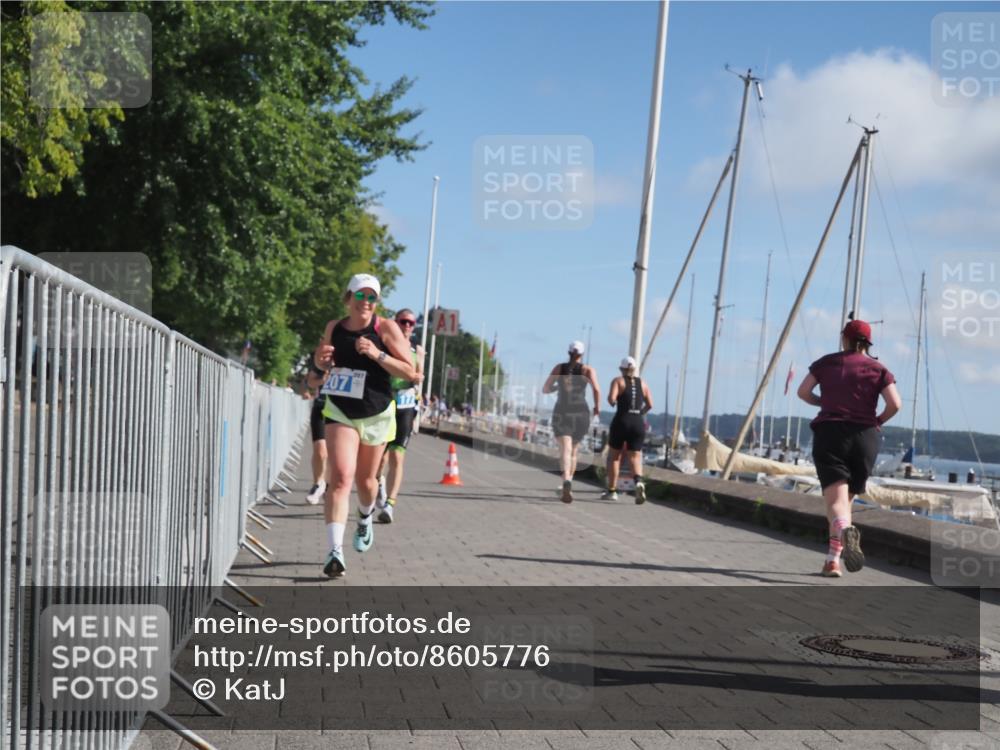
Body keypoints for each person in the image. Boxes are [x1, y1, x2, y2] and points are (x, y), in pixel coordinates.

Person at [312, 274, 417, 577]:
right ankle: (335, 551)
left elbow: (410, 372)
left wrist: (377, 353)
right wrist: (320, 360)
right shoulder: (334, 327)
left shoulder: (385, 328)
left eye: (372, 297)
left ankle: (365, 516)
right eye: (361, 296)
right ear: (348, 298)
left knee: (366, 482)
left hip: (376, 412)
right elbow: (323, 363)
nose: (367, 303)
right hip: (341, 410)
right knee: (341, 478)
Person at [796, 319, 901, 578]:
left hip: (832, 433)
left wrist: (824, 401)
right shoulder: (879, 369)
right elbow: (895, 404)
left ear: (844, 338)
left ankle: (844, 532)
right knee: (846, 502)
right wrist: (877, 421)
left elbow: (803, 392)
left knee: (835, 504)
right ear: (867, 342)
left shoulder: (826, 363)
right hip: (865, 438)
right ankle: (833, 560)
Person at [375, 309, 424, 524]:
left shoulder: (416, 350)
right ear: (396, 323)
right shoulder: (385, 344)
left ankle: (390, 505)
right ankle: (379, 485)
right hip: (384, 402)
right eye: (403, 321)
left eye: (411, 323)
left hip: (405, 404)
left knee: (397, 456)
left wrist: (416, 376)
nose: (407, 326)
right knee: (379, 458)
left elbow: (418, 376)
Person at [543, 341, 600, 504]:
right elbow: (596, 389)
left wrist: (557, 388)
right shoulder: (588, 370)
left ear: (568, 352)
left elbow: (545, 389)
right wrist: (597, 408)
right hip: (581, 412)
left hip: (562, 411)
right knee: (574, 451)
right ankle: (570, 482)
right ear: (582, 354)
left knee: (565, 449)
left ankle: (565, 479)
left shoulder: (559, 368)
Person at [603, 356, 653, 504]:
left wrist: (613, 400)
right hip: (638, 422)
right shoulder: (643, 383)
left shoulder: (618, 381)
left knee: (614, 457)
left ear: (621, 369)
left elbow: (611, 399)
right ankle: (638, 482)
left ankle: (612, 491)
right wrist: (639, 414)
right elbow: (650, 404)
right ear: (634, 369)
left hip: (621, 421)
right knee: (635, 457)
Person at [304, 364, 328, 505]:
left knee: (335, 454)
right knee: (320, 451)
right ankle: (318, 483)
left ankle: (330, 486)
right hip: (321, 408)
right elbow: (310, 382)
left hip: (342, 410)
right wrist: (323, 380)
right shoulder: (325, 358)